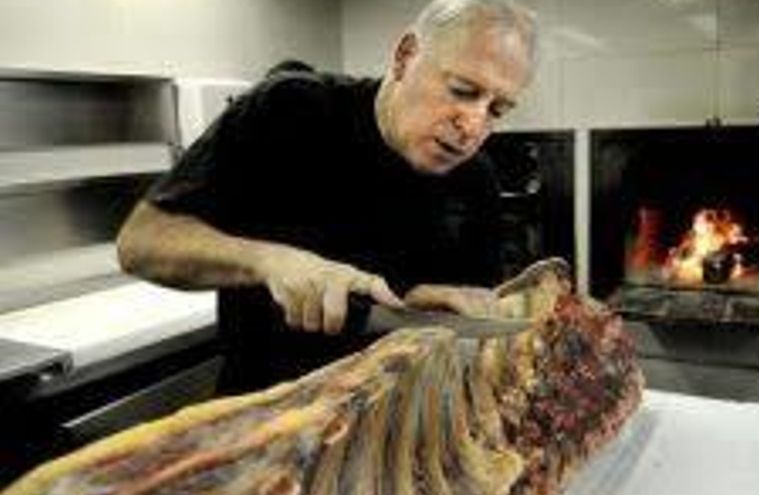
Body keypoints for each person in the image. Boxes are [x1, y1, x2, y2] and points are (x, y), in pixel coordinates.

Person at [116, 0, 538, 394]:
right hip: (269, 416)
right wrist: (271, 261)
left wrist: (414, 311)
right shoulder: (291, 110)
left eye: (497, 110)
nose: (473, 126)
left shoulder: (476, 180)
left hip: (388, 427)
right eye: (462, 91)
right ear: (406, 56)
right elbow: (141, 243)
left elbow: (461, 350)